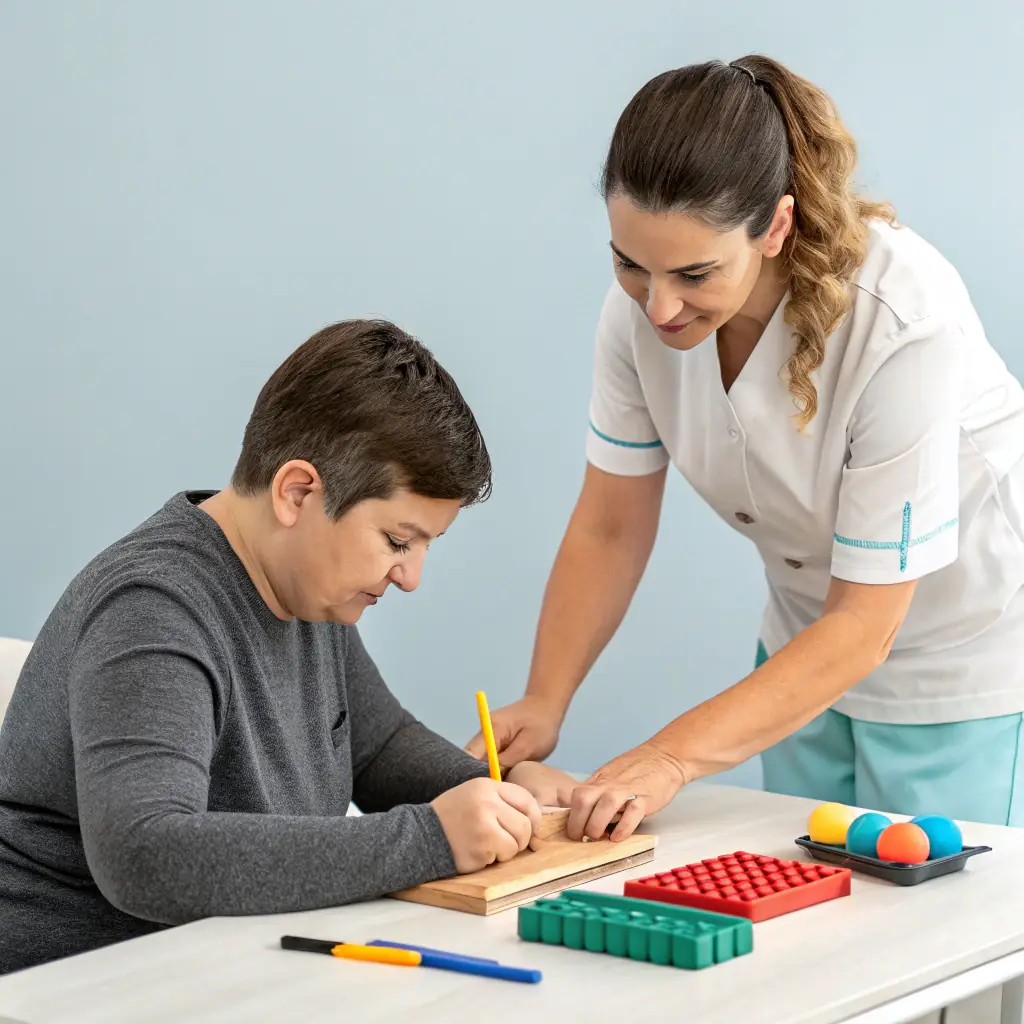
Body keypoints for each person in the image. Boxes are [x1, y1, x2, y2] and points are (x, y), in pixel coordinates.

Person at [468, 54, 1024, 842]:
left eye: (694, 273)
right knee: (806, 894)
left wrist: (669, 757)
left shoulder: (902, 318)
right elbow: (611, 526)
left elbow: (864, 624)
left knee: (936, 901)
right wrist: (545, 698)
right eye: (629, 264)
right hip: (802, 644)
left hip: (957, 651)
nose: (659, 307)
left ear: (776, 227)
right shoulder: (639, 312)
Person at [0, 318, 574, 975]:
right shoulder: (154, 610)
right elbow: (144, 855)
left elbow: (378, 747)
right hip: (75, 988)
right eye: (397, 541)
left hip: (219, 971)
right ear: (297, 492)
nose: (411, 577)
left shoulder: (304, 591)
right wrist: (431, 838)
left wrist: (501, 796)